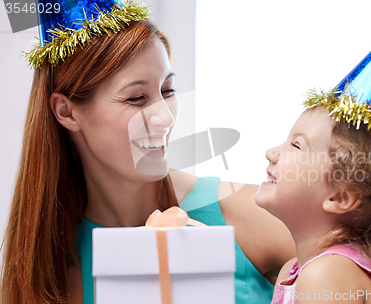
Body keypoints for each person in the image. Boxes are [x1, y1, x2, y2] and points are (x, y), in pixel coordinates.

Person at [0, 1, 294, 303]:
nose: (166, 117)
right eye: (137, 98)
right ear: (67, 112)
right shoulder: (48, 270)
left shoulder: (244, 214)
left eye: (168, 91)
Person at [255, 0, 371, 303]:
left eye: (296, 145)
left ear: (340, 196)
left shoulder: (326, 275)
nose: (271, 152)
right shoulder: (298, 270)